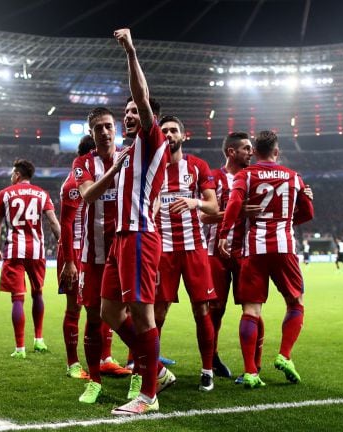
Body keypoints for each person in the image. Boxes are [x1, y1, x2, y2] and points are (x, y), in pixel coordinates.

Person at [97, 28, 175, 416]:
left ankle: (148, 394)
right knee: (109, 312)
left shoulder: (152, 138)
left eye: (134, 112)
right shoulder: (127, 154)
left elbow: (142, 97)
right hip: (120, 239)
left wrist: (130, 51)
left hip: (142, 235)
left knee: (143, 315)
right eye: (124, 111)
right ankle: (155, 367)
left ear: (148, 118)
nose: (129, 115)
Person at [218, 130, 314, 389]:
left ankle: (250, 372)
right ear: (276, 151)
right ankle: (284, 355)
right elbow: (308, 212)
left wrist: (224, 234)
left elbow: (234, 205)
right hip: (284, 246)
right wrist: (285, 221)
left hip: (254, 248)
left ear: (254, 151)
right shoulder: (294, 177)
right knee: (295, 302)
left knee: (251, 310)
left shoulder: (245, 175)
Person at [148, 114, 220, 391]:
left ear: (183, 135)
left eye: (173, 130)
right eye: (164, 130)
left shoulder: (198, 166)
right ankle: (151, 368)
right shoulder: (153, 169)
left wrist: (193, 202)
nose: (168, 134)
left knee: (201, 309)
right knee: (158, 313)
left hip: (194, 248)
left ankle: (207, 370)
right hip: (162, 250)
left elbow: (213, 207)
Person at [71, 112, 133, 403]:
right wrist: (113, 172)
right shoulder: (83, 163)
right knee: (94, 317)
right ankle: (94, 380)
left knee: (136, 315)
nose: (105, 131)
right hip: (93, 256)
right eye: (99, 128)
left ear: (116, 128)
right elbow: (88, 195)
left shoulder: (131, 157)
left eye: (109, 126)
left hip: (127, 251)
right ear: (91, 132)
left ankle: (142, 375)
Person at [60, 134, 126, 380]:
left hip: (101, 247)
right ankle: (73, 363)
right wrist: (69, 261)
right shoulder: (73, 185)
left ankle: (105, 358)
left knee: (106, 305)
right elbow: (67, 226)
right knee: (75, 307)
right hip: (74, 249)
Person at [0, 159, 61, 358]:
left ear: (18, 175)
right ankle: (39, 340)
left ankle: (20, 348)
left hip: (14, 251)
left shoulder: (5, 194)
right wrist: (63, 245)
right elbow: (54, 223)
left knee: (17, 299)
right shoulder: (42, 194)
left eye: (13, 173)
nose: (11, 177)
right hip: (37, 251)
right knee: (37, 294)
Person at [200, 131, 255, 382]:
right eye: (245, 148)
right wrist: (234, 212)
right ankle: (211, 357)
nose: (250, 152)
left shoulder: (253, 178)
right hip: (215, 251)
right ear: (231, 152)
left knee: (252, 307)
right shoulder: (213, 177)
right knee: (216, 308)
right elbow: (203, 216)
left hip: (244, 251)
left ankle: (253, 366)